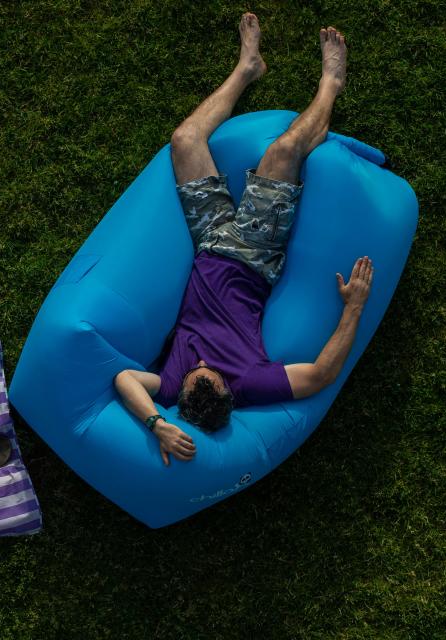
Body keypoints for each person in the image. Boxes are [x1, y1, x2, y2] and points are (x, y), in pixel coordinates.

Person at [113, 14, 374, 466]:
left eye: (196, 374)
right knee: (284, 151)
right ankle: (331, 84)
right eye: (206, 374)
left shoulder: (175, 387)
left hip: (207, 240)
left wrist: (156, 424)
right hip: (253, 253)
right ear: (224, 389)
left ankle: (248, 68)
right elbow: (320, 375)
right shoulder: (248, 382)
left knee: (185, 139)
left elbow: (124, 380)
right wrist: (353, 306)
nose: (197, 364)